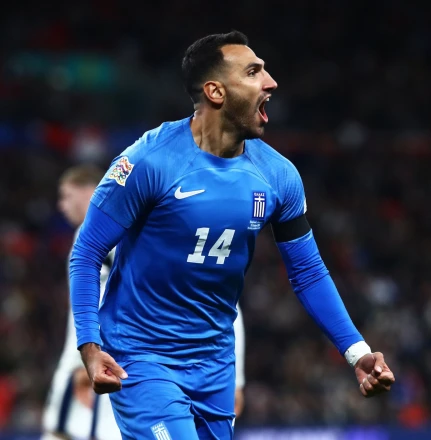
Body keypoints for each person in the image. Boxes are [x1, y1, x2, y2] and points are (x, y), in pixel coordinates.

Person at [70, 31, 395, 440]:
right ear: (216, 92)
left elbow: (308, 272)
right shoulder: (148, 162)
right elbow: (87, 251)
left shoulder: (278, 176)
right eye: (254, 72)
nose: (271, 82)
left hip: (214, 366)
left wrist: (357, 352)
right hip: (142, 357)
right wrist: (90, 346)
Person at [41, 165, 122, 440]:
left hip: (89, 351)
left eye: (67, 195)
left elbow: (107, 295)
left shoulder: (99, 233)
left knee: (60, 430)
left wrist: (85, 357)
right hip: (90, 350)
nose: (61, 205)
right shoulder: (108, 230)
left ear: (89, 191)